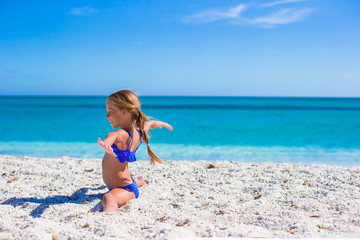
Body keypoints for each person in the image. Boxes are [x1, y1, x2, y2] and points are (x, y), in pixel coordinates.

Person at [97, 89, 172, 212]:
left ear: (124, 112)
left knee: (109, 197)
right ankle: (139, 182)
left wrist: (105, 144)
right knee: (124, 183)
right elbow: (149, 124)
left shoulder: (121, 134)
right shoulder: (138, 133)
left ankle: (109, 216)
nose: (107, 116)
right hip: (126, 183)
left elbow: (113, 136)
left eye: (110, 112)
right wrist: (159, 123)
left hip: (125, 189)